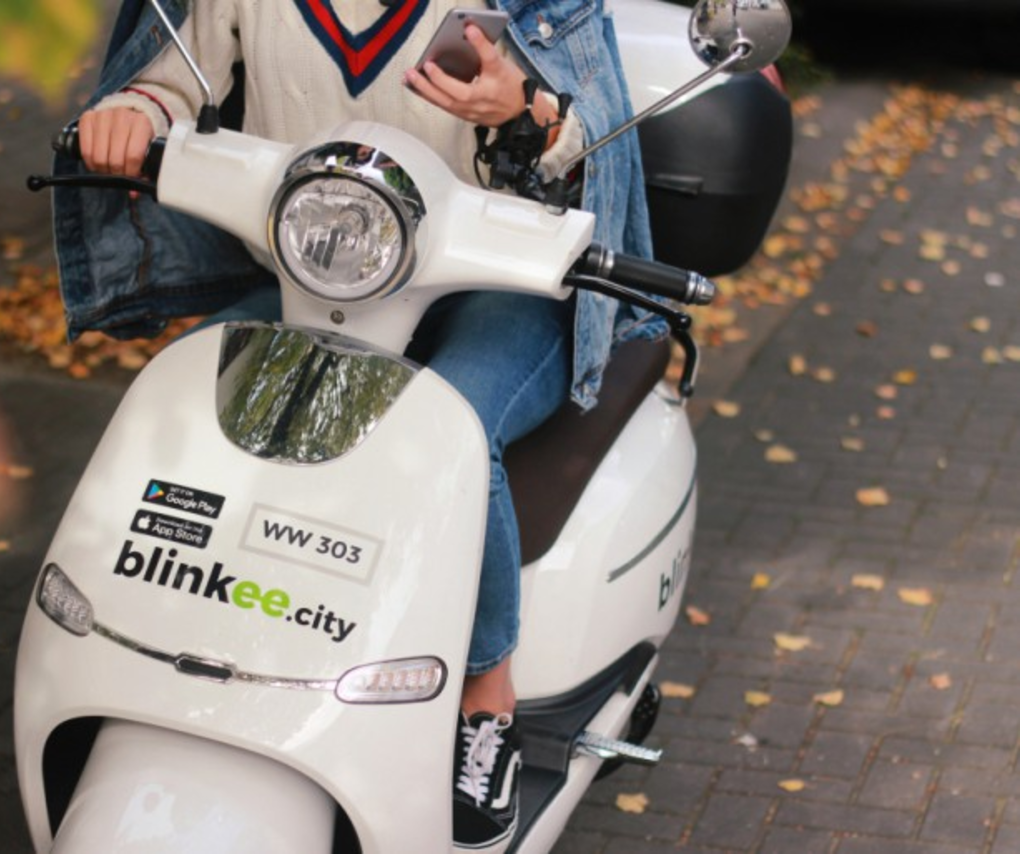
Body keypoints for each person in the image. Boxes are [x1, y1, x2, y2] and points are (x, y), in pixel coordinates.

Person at [52, 0, 663, 848]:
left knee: (453, 422)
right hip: (318, 270)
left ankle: (485, 698)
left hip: (497, 284)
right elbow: (170, 81)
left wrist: (529, 111)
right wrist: (133, 111)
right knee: (189, 393)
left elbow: (597, 146)